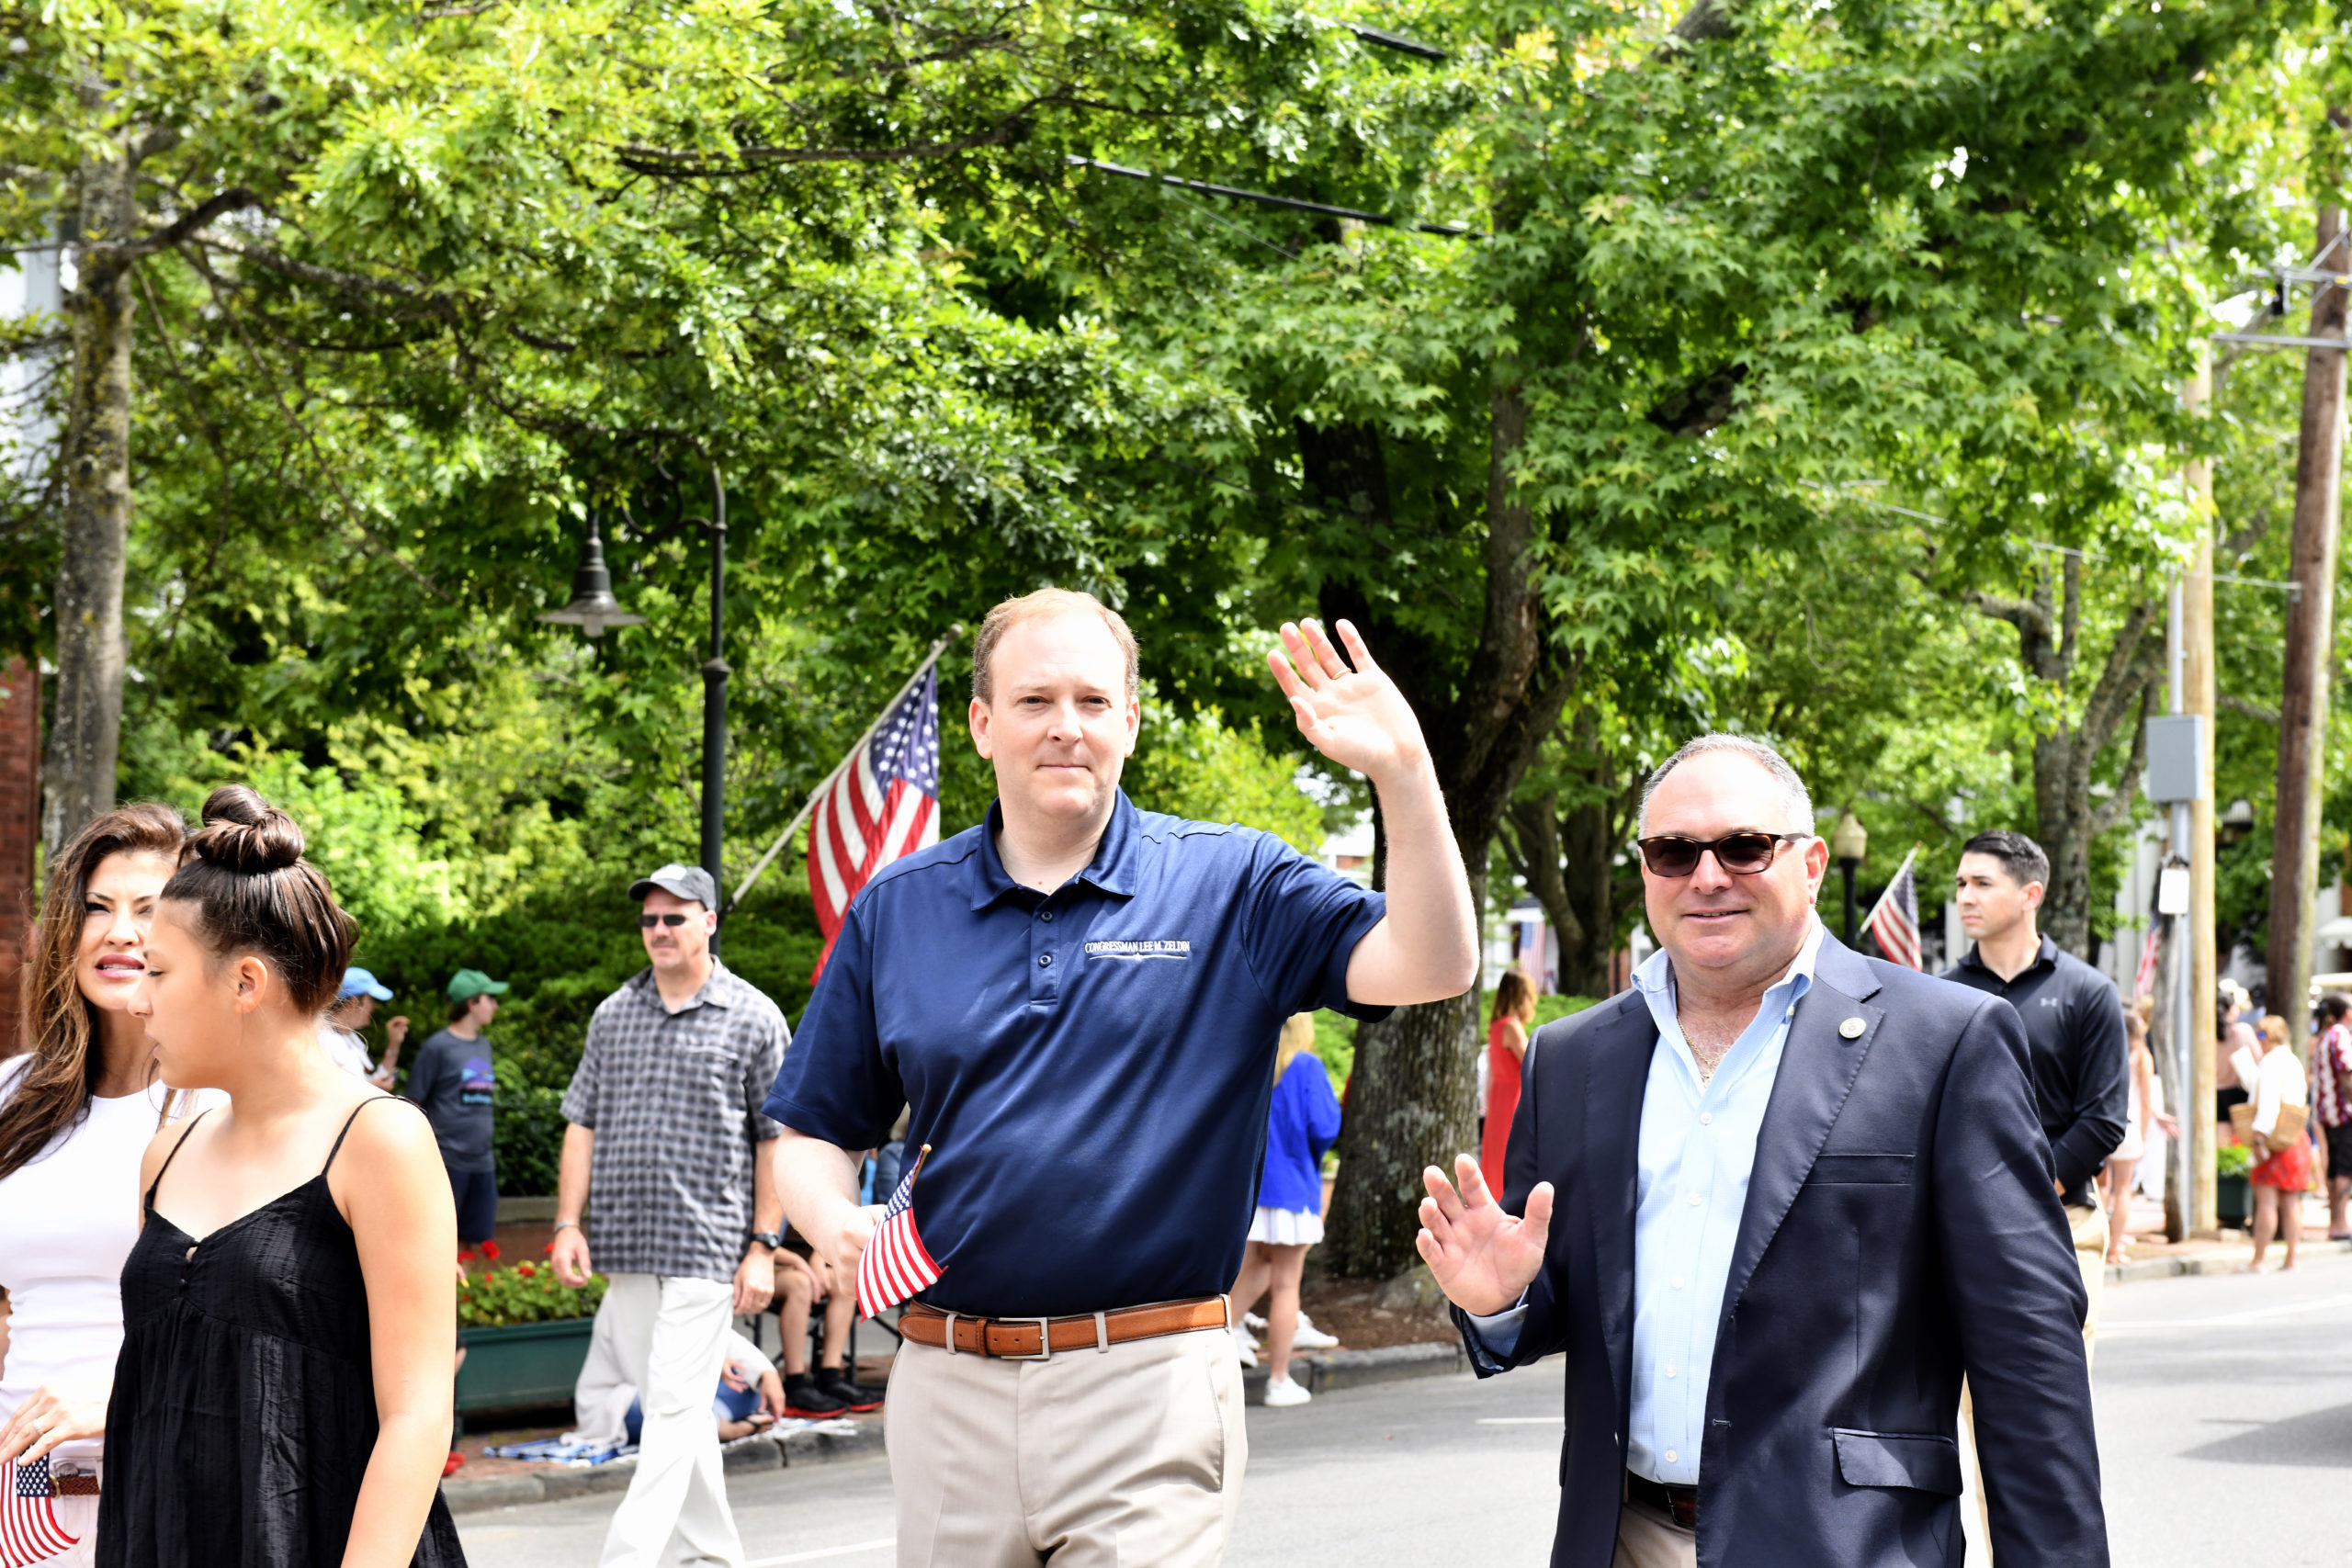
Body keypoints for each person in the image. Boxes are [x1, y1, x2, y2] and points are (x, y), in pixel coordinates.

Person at [767, 593, 1476, 1568]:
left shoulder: (1234, 884)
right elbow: (808, 1129)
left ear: (1131, 723)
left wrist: (1404, 776)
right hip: (946, 1389)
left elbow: (1434, 963)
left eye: (1095, 701)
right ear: (982, 725)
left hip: (1149, 1386)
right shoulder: (897, 908)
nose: (1067, 725)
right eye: (1034, 700)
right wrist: (834, 1220)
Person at [1418, 735, 2102, 1568]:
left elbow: (2029, 1359)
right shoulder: (1573, 1058)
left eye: (1744, 846)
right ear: (1645, 872)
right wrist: (1504, 1302)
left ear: (1811, 864)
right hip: (1620, 1539)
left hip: (1846, 1545)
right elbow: (1565, 1303)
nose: (1707, 876)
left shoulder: (1947, 1041)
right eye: (1673, 851)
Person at [103, 785, 465, 1567]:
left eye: (158, 972)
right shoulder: (166, 1153)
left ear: (245, 984)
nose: (136, 1001)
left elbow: (419, 1416)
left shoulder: (380, 1140)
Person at [550, 863, 791, 1568]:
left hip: (709, 1247)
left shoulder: (754, 1016)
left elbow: (774, 1137)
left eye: (675, 916)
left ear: (710, 922)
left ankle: (623, 1558)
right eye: (650, 918)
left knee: (673, 1418)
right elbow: (581, 1122)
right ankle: (714, 1558)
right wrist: (569, 1221)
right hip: (625, 1245)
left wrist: (764, 1245)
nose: (659, 929)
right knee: (676, 1417)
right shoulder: (613, 1013)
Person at [0, 804, 210, 1565]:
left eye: (149, 909)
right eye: (96, 906)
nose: (119, 930)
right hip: (20, 1500)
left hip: (164, 1485)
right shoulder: (10, 1097)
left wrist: (120, 1398)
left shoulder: (219, 1102)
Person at [1943, 829, 2127, 1363]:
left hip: (2064, 1216)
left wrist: (2027, 1190)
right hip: (1966, 1225)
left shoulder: (2089, 993)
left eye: (1982, 882)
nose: (1965, 897)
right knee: (1977, 1403)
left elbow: (2103, 1120)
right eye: (1960, 883)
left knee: (2058, 1395)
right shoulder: (1940, 994)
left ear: (2031, 895)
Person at [1229, 1013, 1343, 1407]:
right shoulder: (1306, 1066)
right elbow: (1325, 1126)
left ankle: (1210, 1352)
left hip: (1252, 1188)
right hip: (1293, 1189)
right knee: (1285, 1286)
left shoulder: (1251, 1059)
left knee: (1253, 1271)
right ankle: (1278, 1379)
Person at [572, 1300, 786, 1448]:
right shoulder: (623, 1295)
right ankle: (729, 1430)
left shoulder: (683, 1283)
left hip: (688, 1391)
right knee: (669, 1405)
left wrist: (767, 1373)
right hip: (624, 1401)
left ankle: (709, 1422)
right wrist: (709, 1363)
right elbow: (642, 1373)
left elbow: (720, 1334)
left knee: (750, 1386)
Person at [406, 970, 509, 1251]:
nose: (496, 1006)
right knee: (439, 1241)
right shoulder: (436, 1047)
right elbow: (412, 1104)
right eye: (491, 999)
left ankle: (468, 1296)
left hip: (483, 1161)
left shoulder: (484, 1045)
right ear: (472, 1003)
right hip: (447, 1160)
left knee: (473, 1241)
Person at [2099, 998, 2176, 1265]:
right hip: (2129, 1125)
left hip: (2102, 1122)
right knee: (2123, 1190)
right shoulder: (2142, 1056)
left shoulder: (2104, 1050)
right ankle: (2114, 1249)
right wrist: (2144, 1135)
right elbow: (2145, 1100)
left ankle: (2101, 1242)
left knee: (2103, 1187)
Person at [769, 1241, 882, 1416]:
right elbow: (750, 1241)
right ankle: (795, 1384)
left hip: (797, 1265)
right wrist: (796, 1260)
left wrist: (818, 1257)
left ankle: (830, 1376)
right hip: (761, 1264)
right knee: (800, 1284)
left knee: (841, 1282)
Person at [2240, 1013, 2311, 1273]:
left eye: (2261, 1034)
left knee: (2267, 1202)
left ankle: (2259, 1259)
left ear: (2269, 1036)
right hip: (2295, 1138)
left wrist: (2259, 1137)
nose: (2259, 1040)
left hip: (2273, 1140)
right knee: (2292, 1202)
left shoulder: (2270, 1063)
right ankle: (2292, 1257)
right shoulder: (2292, 1061)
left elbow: (2268, 1105)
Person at [1481, 970, 1535, 1192]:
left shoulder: (1495, 1026)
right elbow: (1532, 1061)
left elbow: (1492, 1072)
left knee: (1497, 1157)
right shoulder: (1511, 1026)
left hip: (1497, 1099)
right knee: (1513, 1157)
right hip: (1514, 1098)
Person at [2308, 993, 2352, 1240]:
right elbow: (2347, 1075)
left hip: (2327, 1112)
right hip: (2342, 1113)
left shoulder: (2325, 1035)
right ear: (2347, 1012)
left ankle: (2336, 1222)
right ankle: (2340, 1222)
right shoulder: (2341, 1035)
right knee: (2344, 1169)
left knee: (2335, 1169)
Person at [322, 968, 409, 1089]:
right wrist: (372, 1089)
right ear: (354, 1002)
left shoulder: (351, 1037)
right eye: (372, 999)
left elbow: (376, 1078)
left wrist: (394, 1043)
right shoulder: (322, 1040)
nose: (375, 1006)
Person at [2217, 979, 2259, 1133]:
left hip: (2215, 1093)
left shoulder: (2208, 1035)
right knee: (2241, 1143)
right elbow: (2258, 1058)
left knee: (2222, 1144)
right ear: (2230, 1008)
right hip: (2238, 1093)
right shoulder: (2242, 1031)